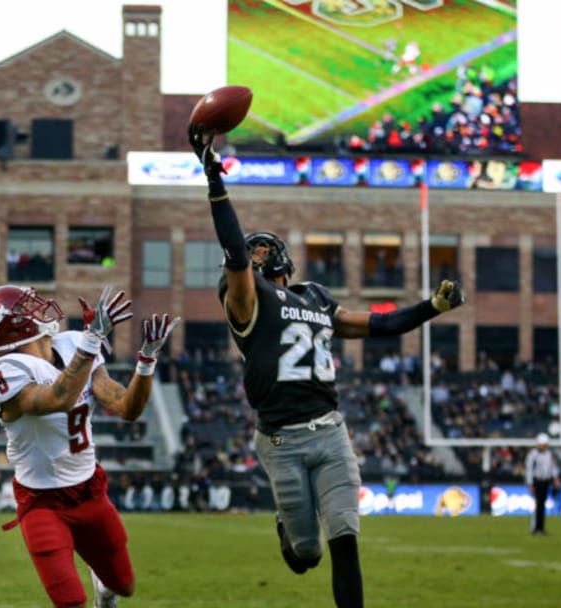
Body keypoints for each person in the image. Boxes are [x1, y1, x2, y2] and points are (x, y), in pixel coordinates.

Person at [188, 125, 464, 608]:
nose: (251, 256)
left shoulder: (315, 297)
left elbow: (379, 325)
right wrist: (215, 182)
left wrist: (431, 308)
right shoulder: (247, 299)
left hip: (330, 431)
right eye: (246, 254)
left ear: (280, 258)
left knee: (345, 537)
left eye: (259, 251)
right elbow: (232, 251)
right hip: (282, 438)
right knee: (306, 554)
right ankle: (288, 532)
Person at [0, 284, 178, 608]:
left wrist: (146, 360)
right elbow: (58, 398)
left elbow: (127, 408)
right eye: (28, 309)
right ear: (12, 326)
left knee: (123, 585)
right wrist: (92, 340)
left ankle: (104, 588)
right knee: (69, 601)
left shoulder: (70, 344)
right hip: (42, 500)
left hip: (89, 489)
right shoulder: (5, 371)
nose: (40, 310)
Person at [526, 433, 561, 535]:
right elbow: (529, 470)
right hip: (537, 481)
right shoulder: (533, 454)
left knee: (542, 505)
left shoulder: (548, 454)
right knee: (538, 505)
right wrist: (530, 483)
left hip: (546, 481)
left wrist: (556, 479)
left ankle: (540, 528)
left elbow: (552, 467)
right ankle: (535, 528)